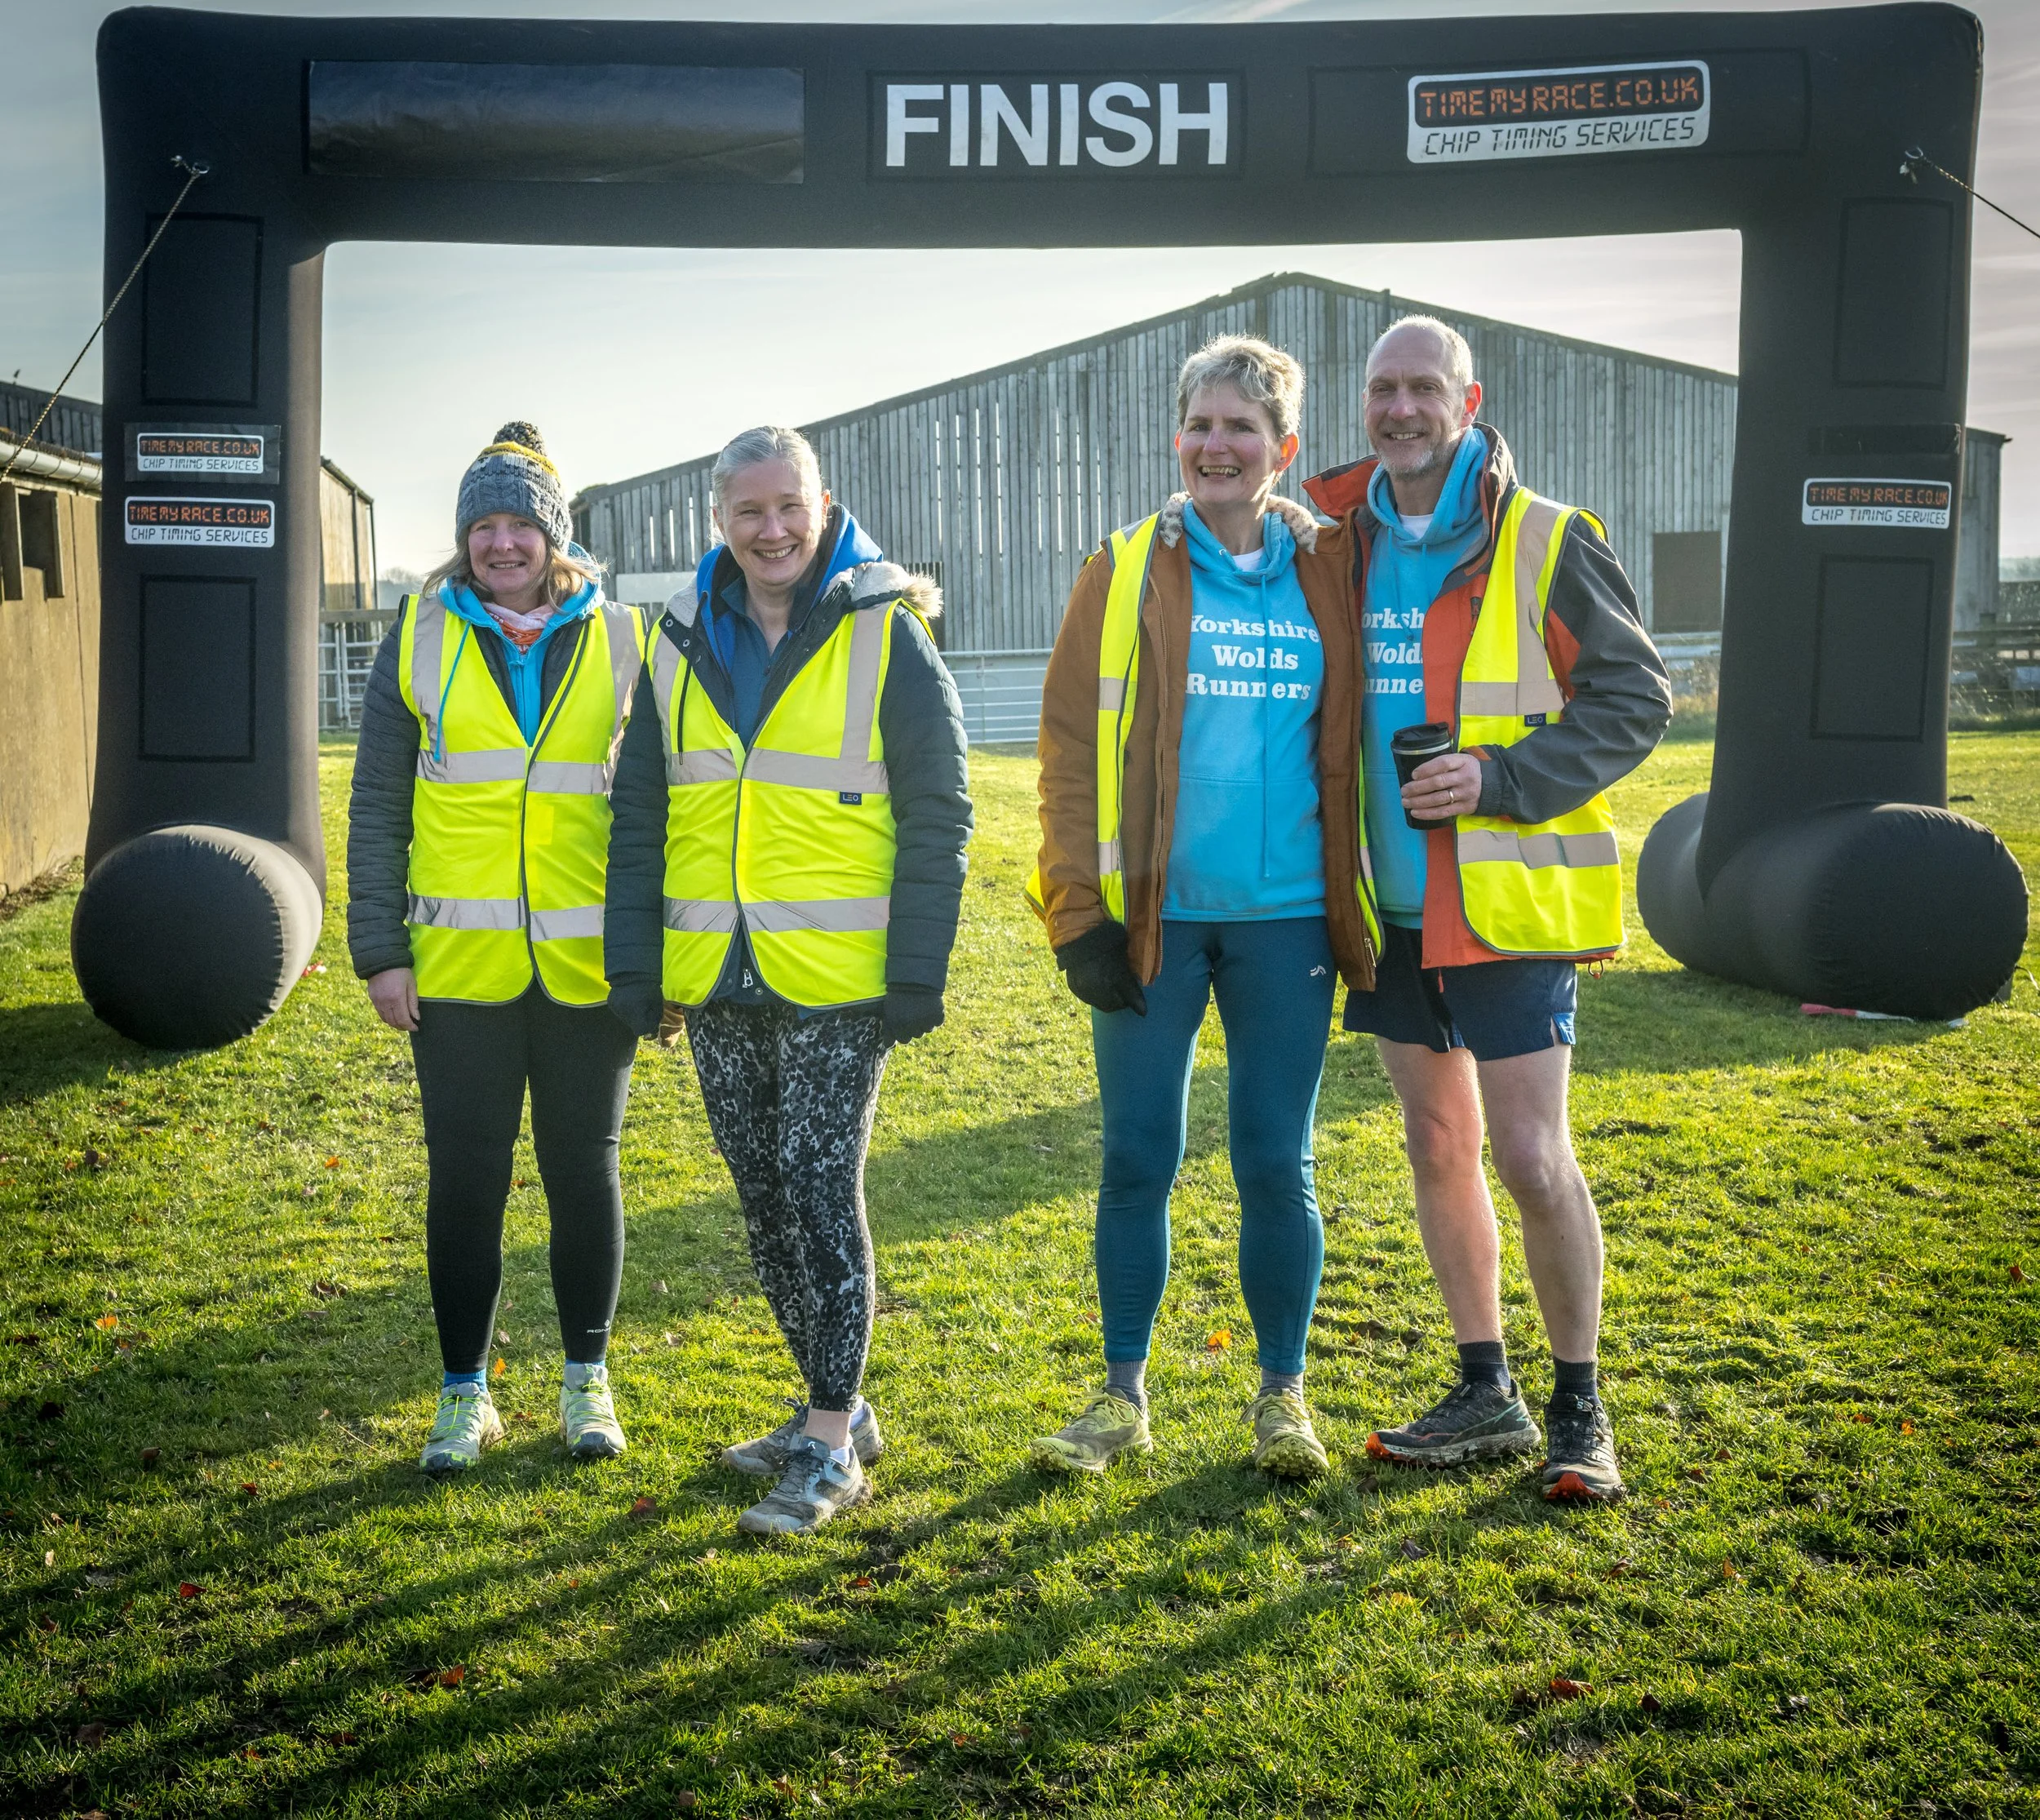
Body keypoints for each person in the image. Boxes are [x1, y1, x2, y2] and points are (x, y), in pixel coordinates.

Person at [1302, 317, 1672, 1501]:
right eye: (1382, 390)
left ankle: (1580, 1403)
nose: (1400, 408)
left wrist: (1501, 777)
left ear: (1468, 402)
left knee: (1531, 1153)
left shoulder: (1546, 535)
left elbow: (1633, 700)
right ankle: (1485, 1385)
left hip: (1508, 901)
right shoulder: (1335, 540)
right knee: (1436, 1142)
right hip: (1390, 910)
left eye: (1423, 388)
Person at [605, 425, 971, 1537]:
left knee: (819, 1191)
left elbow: (941, 810)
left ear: (825, 505)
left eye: (789, 508)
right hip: (717, 972)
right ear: (719, 521)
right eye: (748, 512)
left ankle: (826, 1440)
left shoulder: (885, 632)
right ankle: (835, 1410)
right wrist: (639, 966)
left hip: (838, 977)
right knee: (763, 1198)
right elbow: (641, 816)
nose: (771, 531)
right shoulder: (673, 638)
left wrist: (916, 970)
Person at [1029, 335, 1377, 1481]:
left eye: (1243, 427)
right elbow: (1071, 746)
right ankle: (1122, 1394)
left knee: (1278, 1161)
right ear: (1177, 437)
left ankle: (1284, 1395)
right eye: (1201, 424)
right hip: (1153, 924)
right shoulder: (1123, 566)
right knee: (1138, 1156)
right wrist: (1077, 909)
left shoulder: (1333, 566)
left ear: (1284, 447)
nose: (1218, 445)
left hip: (1287, 923)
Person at [347, 423, 650, 1476]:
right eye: (484, 524)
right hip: (457, 970)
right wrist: (380, 949)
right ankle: (463, 1393)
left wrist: (647, 958)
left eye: (522, 523)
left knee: (584, 1175)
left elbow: (658, 808)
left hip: (587, 973)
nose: (503, 543)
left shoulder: (625, 638)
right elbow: (380, 797)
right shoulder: (419, 633)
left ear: (554, 535)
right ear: (464, 537)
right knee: (466, 1181)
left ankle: (585, 1383)